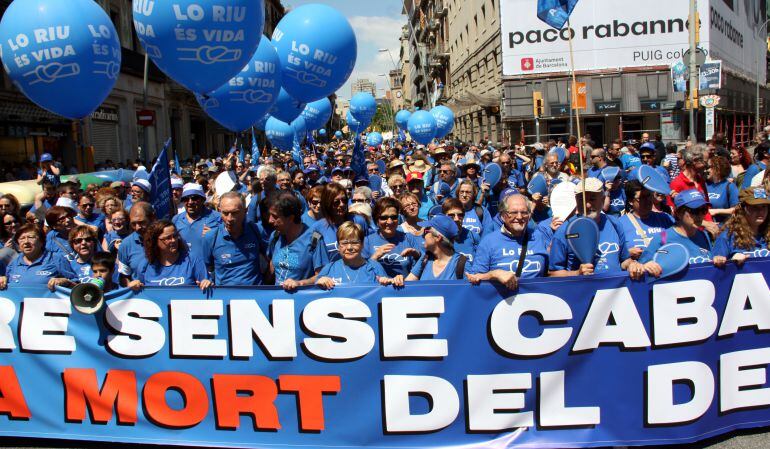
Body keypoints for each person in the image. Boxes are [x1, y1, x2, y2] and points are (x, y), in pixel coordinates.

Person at [549, 178, 644, 278]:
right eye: (582, 200)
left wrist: (631, 264)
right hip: (583, 287)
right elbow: (553, 273)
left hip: (614, 287)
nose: (587, 205)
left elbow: (624, 260)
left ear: (602, 200)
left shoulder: (614, 223)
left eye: (592, 199)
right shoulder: (565, 231)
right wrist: (576, 273)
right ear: (576, 201)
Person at [468, 194, 549, 289]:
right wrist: (494, 274)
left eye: (524, 212)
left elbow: (550, 272)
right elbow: (474, 277)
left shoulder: (539, 237)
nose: (519, 217)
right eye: (513, 212)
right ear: (502, 216)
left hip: (537, 297)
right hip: (501, 298)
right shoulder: (489, 241)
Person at [641, 190, 721, 274]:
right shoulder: (663, 237)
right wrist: (645, 266)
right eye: (695, 211)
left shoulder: (703, 235)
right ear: (679, 213)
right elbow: (642, 266)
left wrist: (717, 259)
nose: (700, 215)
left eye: (704, 210)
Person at [268, 192, 328, 292]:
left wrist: (300, 283)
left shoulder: (314, 239)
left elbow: (322, 276)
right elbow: (271, 267)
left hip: (301, 298)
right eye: (270, 215)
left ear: (290, 218)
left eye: (275, 216)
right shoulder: (275, 236)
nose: (270, 220)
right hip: (278, 299)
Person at [202, 192, 264, 286]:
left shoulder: (256, 230)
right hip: (225, 294)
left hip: (255, 293)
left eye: (235, 213)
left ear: (245, 211)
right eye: (225, 213)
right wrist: (208, 280)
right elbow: (207, 268)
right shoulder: (211, 237)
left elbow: (271, 259)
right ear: (219, 211)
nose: (229, 218)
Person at [316, 222, 402, 289]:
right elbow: (315, 290)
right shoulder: (329, 269)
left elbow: (386, 291)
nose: (349, 247)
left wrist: (391, 281)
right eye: (344, 243)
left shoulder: (375, 267)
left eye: (354, 242)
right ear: (338, 246)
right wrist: (320, 282)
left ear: (362, 244)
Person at [138, 220, 212, 290]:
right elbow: (140, 291)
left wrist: (206, 283)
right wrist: (135, 285)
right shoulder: (146, 265)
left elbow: (206, 283)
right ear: (154, 241)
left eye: (175, 236)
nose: (173, 240)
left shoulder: (192, 259)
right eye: (167, 238)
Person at [0, 224, 75, 291]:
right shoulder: (13, 264)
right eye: (22, 238)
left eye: (31, 237)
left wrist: (65, 282)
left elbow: (76, 285)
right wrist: (3, 279)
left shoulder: (56, 259)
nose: (26, 242)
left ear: (41, 241)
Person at [362, 197, 422, 278]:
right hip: (377, 285)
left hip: (406, 284)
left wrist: (416, 255)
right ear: (376, 219)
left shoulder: (409, 238)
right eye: (384, 218)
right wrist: (374, 257)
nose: (389, 222)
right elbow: (362, 272)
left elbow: (421, 267)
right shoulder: (367, 241)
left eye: (393, 217)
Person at [618, 180, 674, 258]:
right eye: (641, 198)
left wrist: (678, 204)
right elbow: (612, 253)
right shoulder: (620, 224)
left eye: (648, 196)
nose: (647, 201)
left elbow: (682, 235)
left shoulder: (664, 218)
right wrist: (627, 253)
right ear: (630, 201)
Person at [713, 187, 770, 264]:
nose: (761, 211)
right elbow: (715, 266)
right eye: (755, 207)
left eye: (764, 206)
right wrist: (731, 262)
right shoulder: (727, 236)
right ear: (743, 209)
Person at [404, 214, 466, 281]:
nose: (422, 235)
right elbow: (408, 283)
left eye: (426, 231)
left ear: (438, 238)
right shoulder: (425, 258)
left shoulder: (462, 263)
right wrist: (399, 280)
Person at [172, 183, 222, 257]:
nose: (190, 202)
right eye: (186, 199)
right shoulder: (176, 219)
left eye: (194, 198)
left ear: (202, 200)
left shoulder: (217, 217)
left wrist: (216, 236)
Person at [117, 202, 155, 286]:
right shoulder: (126, 245)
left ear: (152, 218)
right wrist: (130, 284)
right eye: (133, 224)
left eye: (141, 222)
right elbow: (124, 276)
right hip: (141, 293)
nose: (137, 228)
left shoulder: (166, 239)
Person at [706, 155, 739, 224]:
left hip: (722, 227)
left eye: (709, 167)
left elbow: (737, 209)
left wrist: (716, 211)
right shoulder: (704, 185)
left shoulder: (730, 186)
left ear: (718, 169)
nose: (706, 170)